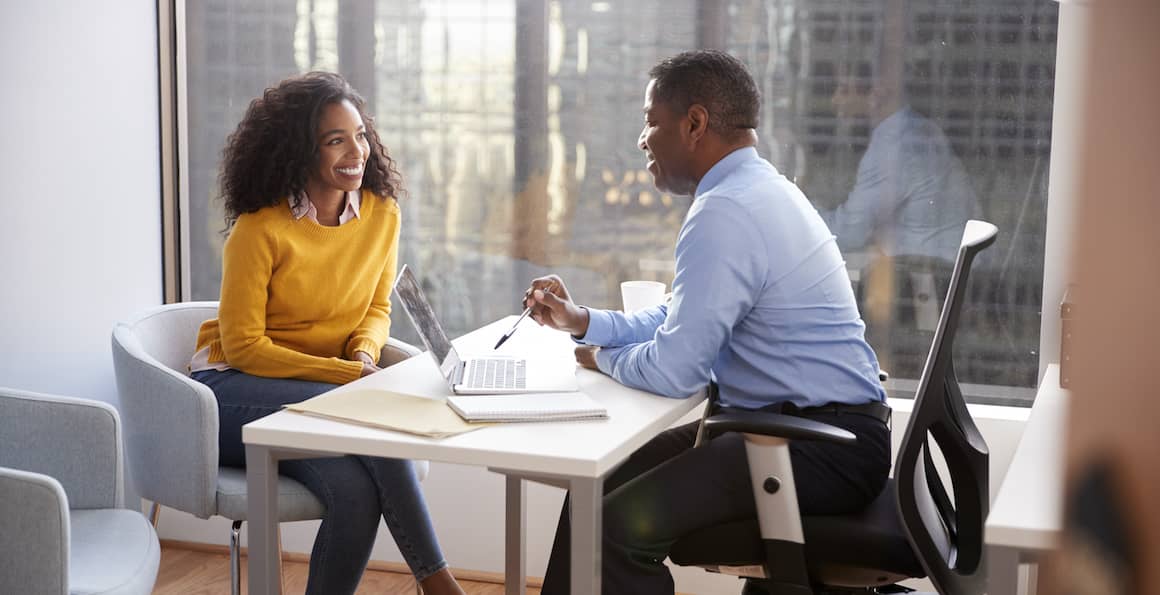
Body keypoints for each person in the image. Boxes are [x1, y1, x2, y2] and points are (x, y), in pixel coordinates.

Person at [522, 50, 892, 594]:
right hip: (805, 431)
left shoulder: (726, 212)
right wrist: (585, 323)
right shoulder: (760, 190)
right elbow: (682, 314)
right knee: (595, 485)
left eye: (651, 121)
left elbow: (676, 371)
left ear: (694, 124)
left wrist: (600, 358)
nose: (642, 139)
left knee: (615, 528)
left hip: (812, 448)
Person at [188, 72, 465, 595]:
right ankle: (439, 582)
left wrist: (363, 350)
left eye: (360, 135)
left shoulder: (382, 214)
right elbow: (245, 346)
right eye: (335, 140)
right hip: (231, 394)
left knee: (355, 492)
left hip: (322, 396)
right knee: (368, 411)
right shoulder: (259, 228)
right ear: (299, 150)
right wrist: (347, 377)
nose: (355, 151)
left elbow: (377, 308)